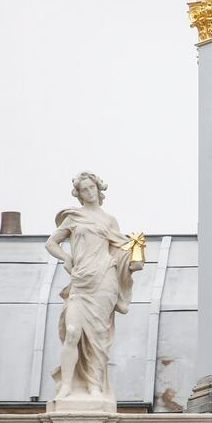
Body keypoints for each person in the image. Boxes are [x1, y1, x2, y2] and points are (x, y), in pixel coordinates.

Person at [45, 171, 144, 399]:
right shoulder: (73, 218)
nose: (89, 192)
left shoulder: (109, 220)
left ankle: (94, 386)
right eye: (84, 189)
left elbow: (120, 249)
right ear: (78, 194)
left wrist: (134, 257)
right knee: (72, 332)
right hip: (80, 281)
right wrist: (67, 258)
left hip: (104, 279)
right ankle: (67, 386)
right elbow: (51, 243)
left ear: (98, 190)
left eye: (92, 188)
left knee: (98, 336)